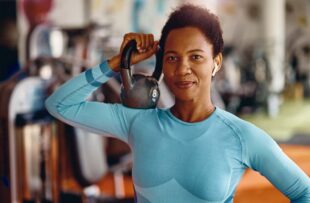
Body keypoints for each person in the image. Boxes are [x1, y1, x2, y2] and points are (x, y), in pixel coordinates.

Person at [46, 4, 310, 203]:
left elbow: (303, 192)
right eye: (172, 58)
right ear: (162, 64)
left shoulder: (242, 137)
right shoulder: (137, 122)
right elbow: (60, 105)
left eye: (195, 57)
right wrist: (119, 61)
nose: (182, 69)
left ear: (216, 63)